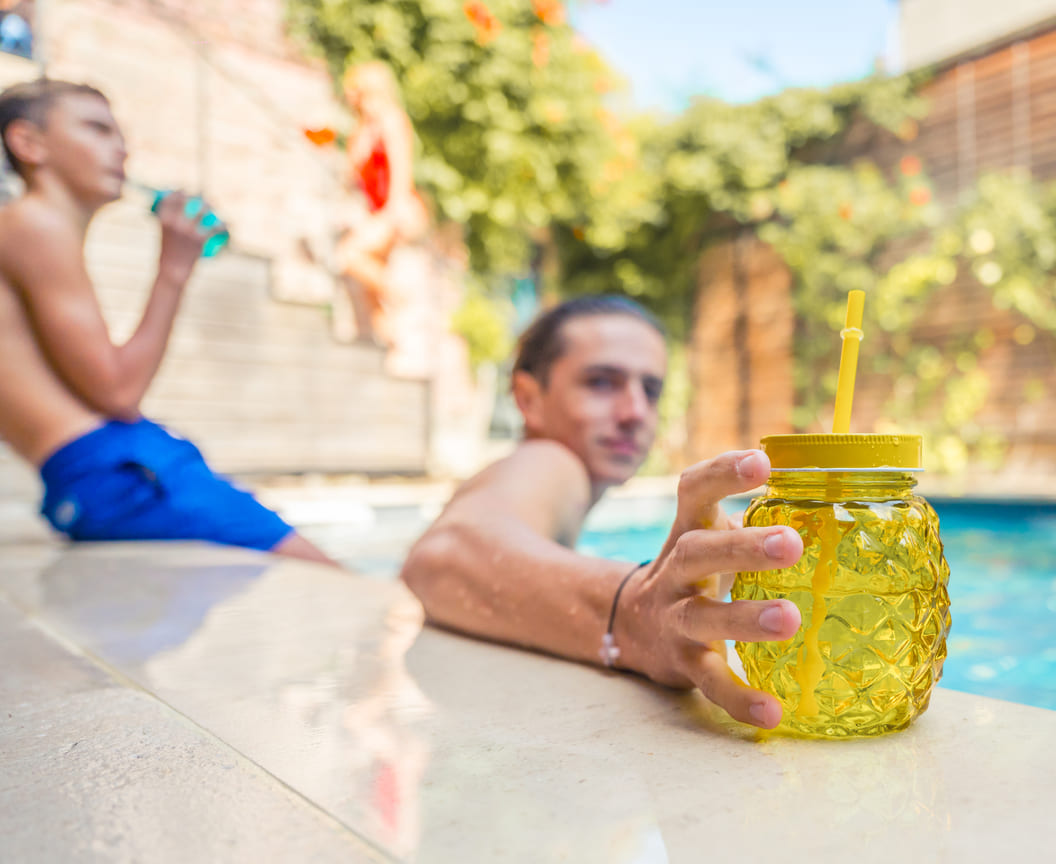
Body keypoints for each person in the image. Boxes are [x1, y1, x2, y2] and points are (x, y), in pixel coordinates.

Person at [401, 295, 806, 730]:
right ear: (528, 398)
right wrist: (631, 612)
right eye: (601, 382)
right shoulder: (552, 464)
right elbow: (445, 553)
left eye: (650, 390)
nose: (635, 412)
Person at [0, 78, 333, 563]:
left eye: (119, 134)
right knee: (334, 582)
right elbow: (117, 393)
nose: (121, 150)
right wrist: (174, 269)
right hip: (113, 466)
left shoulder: (21, 228)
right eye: (96, 129)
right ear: (29, 143)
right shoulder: (34, 223)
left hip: (84, 474)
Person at [335, 61, 429, 347]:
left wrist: (392, 216)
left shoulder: (392, 120)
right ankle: (391, 350)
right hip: (377, 212)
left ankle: (403, 295)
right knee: (370, 297)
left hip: (398, 210)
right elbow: (354, 179)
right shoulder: (361, 130)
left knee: (347, 257)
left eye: (354, 90)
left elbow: (401, 174)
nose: (349, 96)